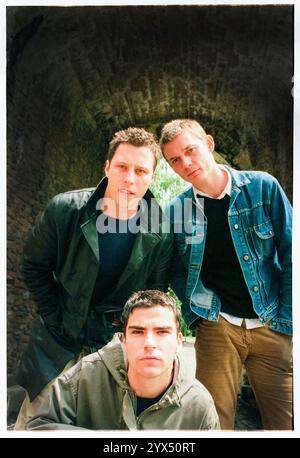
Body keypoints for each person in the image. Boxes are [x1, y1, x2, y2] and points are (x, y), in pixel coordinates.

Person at [15, 127, 173, 429]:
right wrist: (55, 316)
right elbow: (33, 266)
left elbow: (154, 294)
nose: (130, 178)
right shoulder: (66, 209)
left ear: (152, 176)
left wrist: (128, 337)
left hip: (112, 347)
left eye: (141, 170)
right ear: (107, 167)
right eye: (122, 167)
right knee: (37, 424)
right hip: (57, 343)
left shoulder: (161, 229)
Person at [159, 119, 293, 430]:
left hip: (273, 323)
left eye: (190, 150)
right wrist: (198, 314)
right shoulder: (177, 211)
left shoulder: (262, 187)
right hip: (218, 325)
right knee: (212, 423)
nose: (186, 163)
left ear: (208, 143)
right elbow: (176, 270)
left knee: (285, 422)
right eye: (174, 160)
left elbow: (291, 253)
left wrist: (288, 318)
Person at [25, 290, 220, 430]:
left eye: (162, 332)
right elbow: (38, 426)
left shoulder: (199, 405)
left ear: (179, 341)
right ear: (123, 340)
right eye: (138, 331)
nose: (149, 343)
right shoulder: (85, 376)